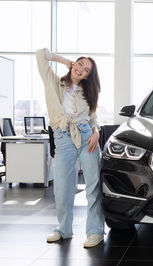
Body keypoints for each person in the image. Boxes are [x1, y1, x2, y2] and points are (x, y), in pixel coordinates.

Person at [36, 48, 105, 248]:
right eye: (80, 64)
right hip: (63, 137)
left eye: (87, 70)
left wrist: (96, 132)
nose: (82, 70)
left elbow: (93, 119)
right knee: (63, 187)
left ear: (88, 76)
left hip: (87, 138)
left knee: (93, 185)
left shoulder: (89, 92)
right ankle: (63, 229)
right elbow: (41, 55)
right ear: (74, 64)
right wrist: (66, 61)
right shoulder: (54, 81)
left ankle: (95, 231)